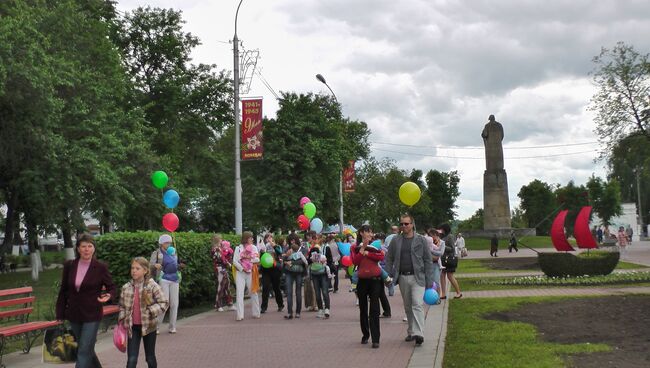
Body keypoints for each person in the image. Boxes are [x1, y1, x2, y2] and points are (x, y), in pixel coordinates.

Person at [56, 233, 116, 368]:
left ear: (94, 249)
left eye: (90, 246)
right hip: (74, 314)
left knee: (83, 350)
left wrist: (109, 295)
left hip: (92, 314)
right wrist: (60, 313)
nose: (87, 249)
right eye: (83, 246)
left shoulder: (100, 267)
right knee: (86, 348)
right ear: (78, 248)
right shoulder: (69, 265)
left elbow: (112, 287)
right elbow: (64, 290)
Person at [385, 214, 435, 347]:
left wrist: (430, 279)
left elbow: (428, 260)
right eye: (401, 224)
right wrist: (388, 274)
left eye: (406, 224)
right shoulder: (396, 240)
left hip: (418, 277)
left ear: (412, 224)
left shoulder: (421, 240)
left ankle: (419, 333)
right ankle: (411, 331)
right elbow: (389, 257)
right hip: (402, 277)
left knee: (417, 304)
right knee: (408, 306)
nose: (403, 226)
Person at [119, 257, 169, 368]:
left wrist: (150, 311)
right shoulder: (126, 287)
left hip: (149, 326)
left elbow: (164, 303)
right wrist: (123, 319)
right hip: (133, 328)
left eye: (137, 268)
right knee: (131, 360)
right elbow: (122, 306)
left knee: (150, 358)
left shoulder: (152, 285)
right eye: (132, 268)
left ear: (145, 270)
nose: (134, 271)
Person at [352, 225, 385, 349]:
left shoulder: (375, 246)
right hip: (362, 281)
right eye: (367, 232)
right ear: (361, 233)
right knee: (363, 309)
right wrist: (363, 249)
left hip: (375, 280)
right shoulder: (355, 247)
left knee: (375, 309)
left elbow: (381, 257)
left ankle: (376, 339)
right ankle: (365, 334)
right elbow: (355, 261)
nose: (370, 234)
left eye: (371, 232)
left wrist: (368, 253)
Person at [150, 234, 184, 334]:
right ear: (161, 243)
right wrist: (155, 265)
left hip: (175, 279)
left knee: (174, 304)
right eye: (166, 242)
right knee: (165, 303)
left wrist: (180, 266)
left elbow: (175, 264)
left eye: (169, 242)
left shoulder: (173, 252)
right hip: (163, 278)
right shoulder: (156, 253)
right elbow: (149, 265)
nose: (168, 244)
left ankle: (172, 326)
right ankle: (156, 326)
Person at [233, 231, 261, 320]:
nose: (252, 239)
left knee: (253, 292)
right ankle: (240, 315)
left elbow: (257, 259)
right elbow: (234, 261)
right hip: (240, 273)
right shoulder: (238, 248)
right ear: (246, 238)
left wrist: (248, 259)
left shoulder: (254, 248)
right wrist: (242, 268)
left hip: (251, 272)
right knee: (239, 293)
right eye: (250, 238)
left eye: (252, 238)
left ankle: (256, 313)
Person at [283, 233, 308, 319]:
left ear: (297, 240)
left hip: (299, 272)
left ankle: (298, 312)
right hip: (289, 272)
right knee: (289, 292)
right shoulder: (287, 248)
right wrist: (286, 256)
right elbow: (282, 259)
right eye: (290, 240)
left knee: (298, 292)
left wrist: (292, 262)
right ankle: (289, 312)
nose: (292, 241)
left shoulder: (303, 249)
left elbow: (303, 261)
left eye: (293, 240)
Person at [307, 235, 330, 319]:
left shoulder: (323, 250)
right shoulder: (311, 253)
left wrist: (324, 261)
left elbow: (328, 261)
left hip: (323, 274)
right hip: (315, 274)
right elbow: (308, 262)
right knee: (317, 293)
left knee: (324, 291)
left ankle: (327, 308)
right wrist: (311, 259)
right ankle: (320, 309)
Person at [260, 234, 284, 313]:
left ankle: (280, 305)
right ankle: (263, 307)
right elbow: (260, 257)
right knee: (265, 288)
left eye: (270, 237)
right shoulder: (263, 247)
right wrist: (262, 252)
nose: (269, 239)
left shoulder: (277, 246)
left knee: (276, 287)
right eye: (267, 238)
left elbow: (280, 253)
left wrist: (273, 245)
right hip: (266, 270)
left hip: (275, 269)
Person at [210, 234, 234, 311]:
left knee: (227, 285)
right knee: (220, 286)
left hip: (223, 268)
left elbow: (224, 258)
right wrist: (228, 264)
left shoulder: (219, 248)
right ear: (217, 240)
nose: (222, 240)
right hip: (219, 268)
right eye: (220, 239)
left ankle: (230, 303)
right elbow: (221, 258)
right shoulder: (216, 249)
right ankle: (218, 305)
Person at [438, 224, 462, 299]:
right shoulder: (443, 237)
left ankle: (458, 292)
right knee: (442, 276)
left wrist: (443, 246)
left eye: (442, 229)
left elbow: (452, 248)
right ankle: (443, 294)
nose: (441, 231)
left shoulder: (450, 236)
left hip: (449, 259)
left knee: (450, 276)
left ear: (445, 229)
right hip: (443, 259)